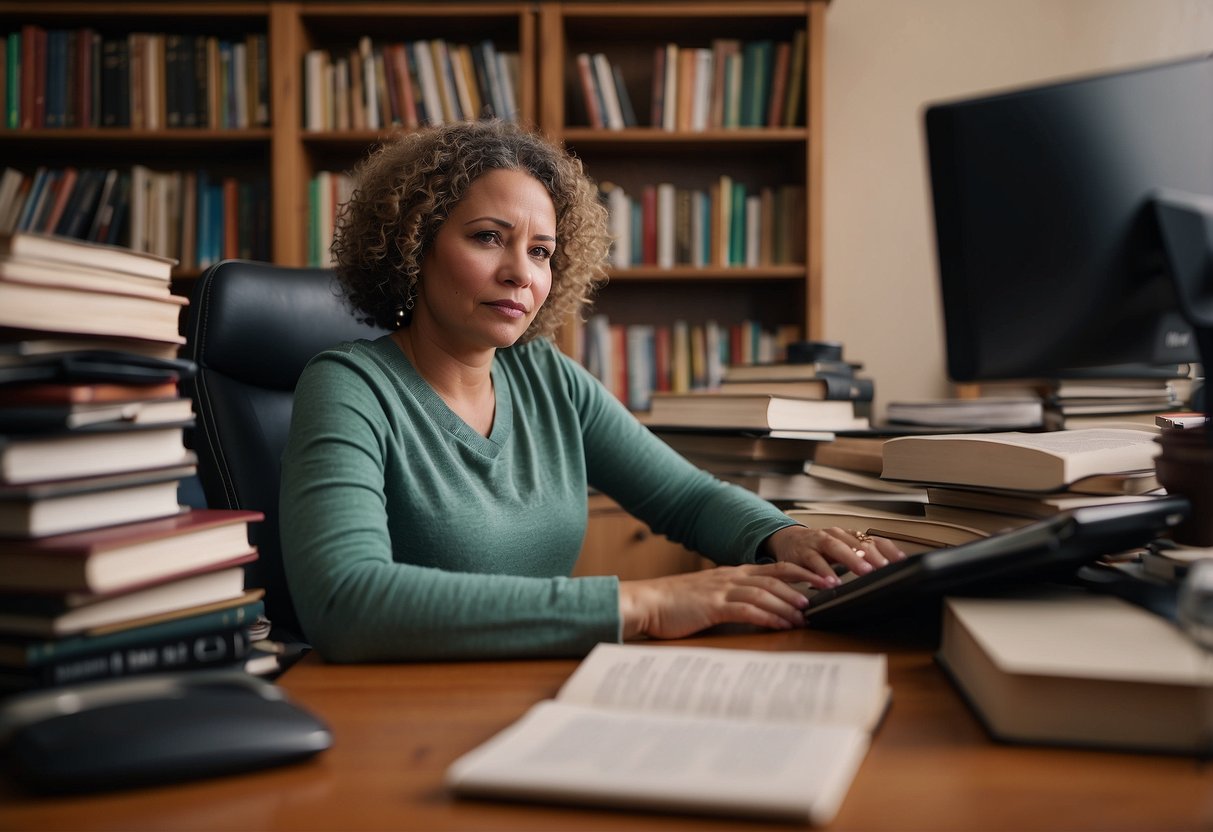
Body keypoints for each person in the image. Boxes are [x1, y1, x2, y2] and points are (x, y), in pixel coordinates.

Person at [279, 120, 905, 662]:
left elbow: (683, 497)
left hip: (541, 688)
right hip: (399, 721)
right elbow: (344, 601)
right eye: (488, 237)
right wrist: (640, 603)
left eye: (541, 251)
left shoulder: (544, 374)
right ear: (414, 247)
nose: (521, 273)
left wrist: (783, 536)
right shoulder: (349, 386)